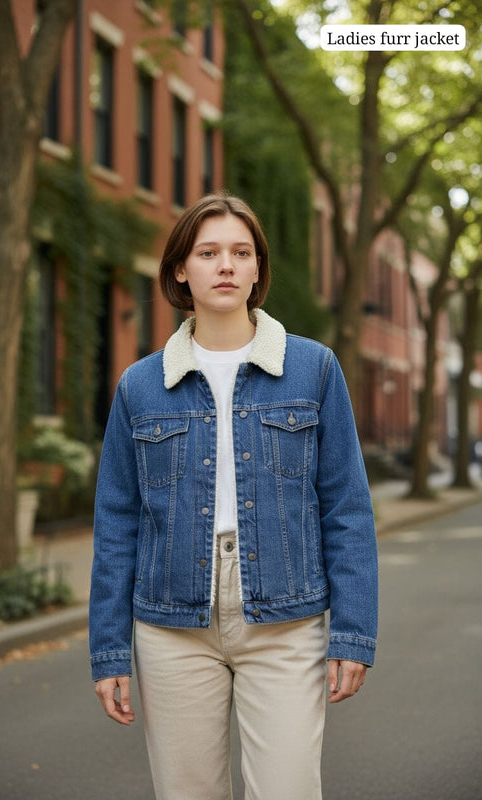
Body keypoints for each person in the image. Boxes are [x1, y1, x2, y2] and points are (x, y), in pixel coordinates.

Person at [89, 192, 378, 800]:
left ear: (256, 270)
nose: (225, 265)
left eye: (240, 252)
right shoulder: (140, 386)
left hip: (285, 618)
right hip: (171, 624)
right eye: (208, 252)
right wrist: (109, 649)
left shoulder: (313, 369)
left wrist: (353, 631)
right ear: (179, 269)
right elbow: (118, 523)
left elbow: (347, 506)